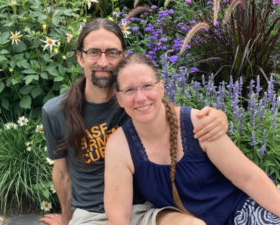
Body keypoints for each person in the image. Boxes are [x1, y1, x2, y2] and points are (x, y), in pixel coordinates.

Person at [40, 18, 228, 225]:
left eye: (111, 53)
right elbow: (62, 174)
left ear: (123, 57)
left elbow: (177, 119)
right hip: (92, 215)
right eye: (93, 52)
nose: (103, 62)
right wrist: (67, 220)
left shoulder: (135, 103)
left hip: (146, 209)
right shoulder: (56, 112)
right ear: (80, 57)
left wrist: (218, 116)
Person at [104, 53, 280, 225]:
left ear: (161, 88)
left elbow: (248, 178)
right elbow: (119, 218)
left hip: (242, 213)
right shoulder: (120, 147)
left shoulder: (198, 123)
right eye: (129, 90)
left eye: (147, 86)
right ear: (119, 98)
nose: (140, 97)